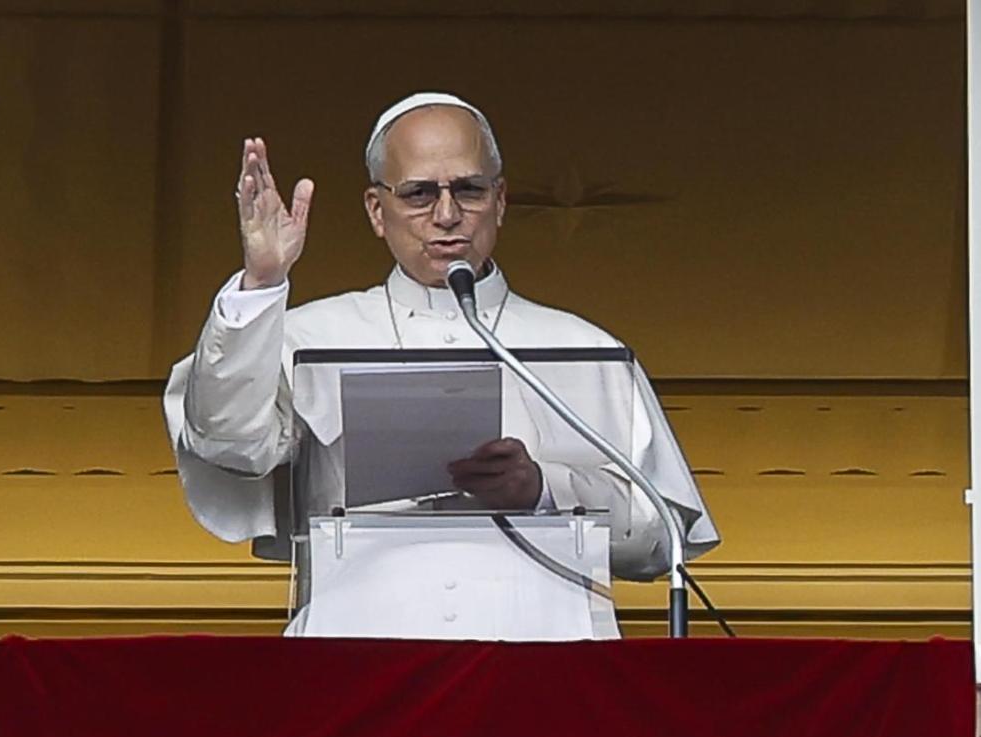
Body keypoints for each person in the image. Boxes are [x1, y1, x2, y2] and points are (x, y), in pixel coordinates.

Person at [163, 92, 719, 637]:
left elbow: (661, 538)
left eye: (469, 190)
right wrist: (261, 284)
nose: (447, 215)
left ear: (500, 201)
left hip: (544, 674)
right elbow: (228, 445)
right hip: (358, 663)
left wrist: (543, 490)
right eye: (420, 193)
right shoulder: (305, 339)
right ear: (377, 211)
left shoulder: (587, 349)